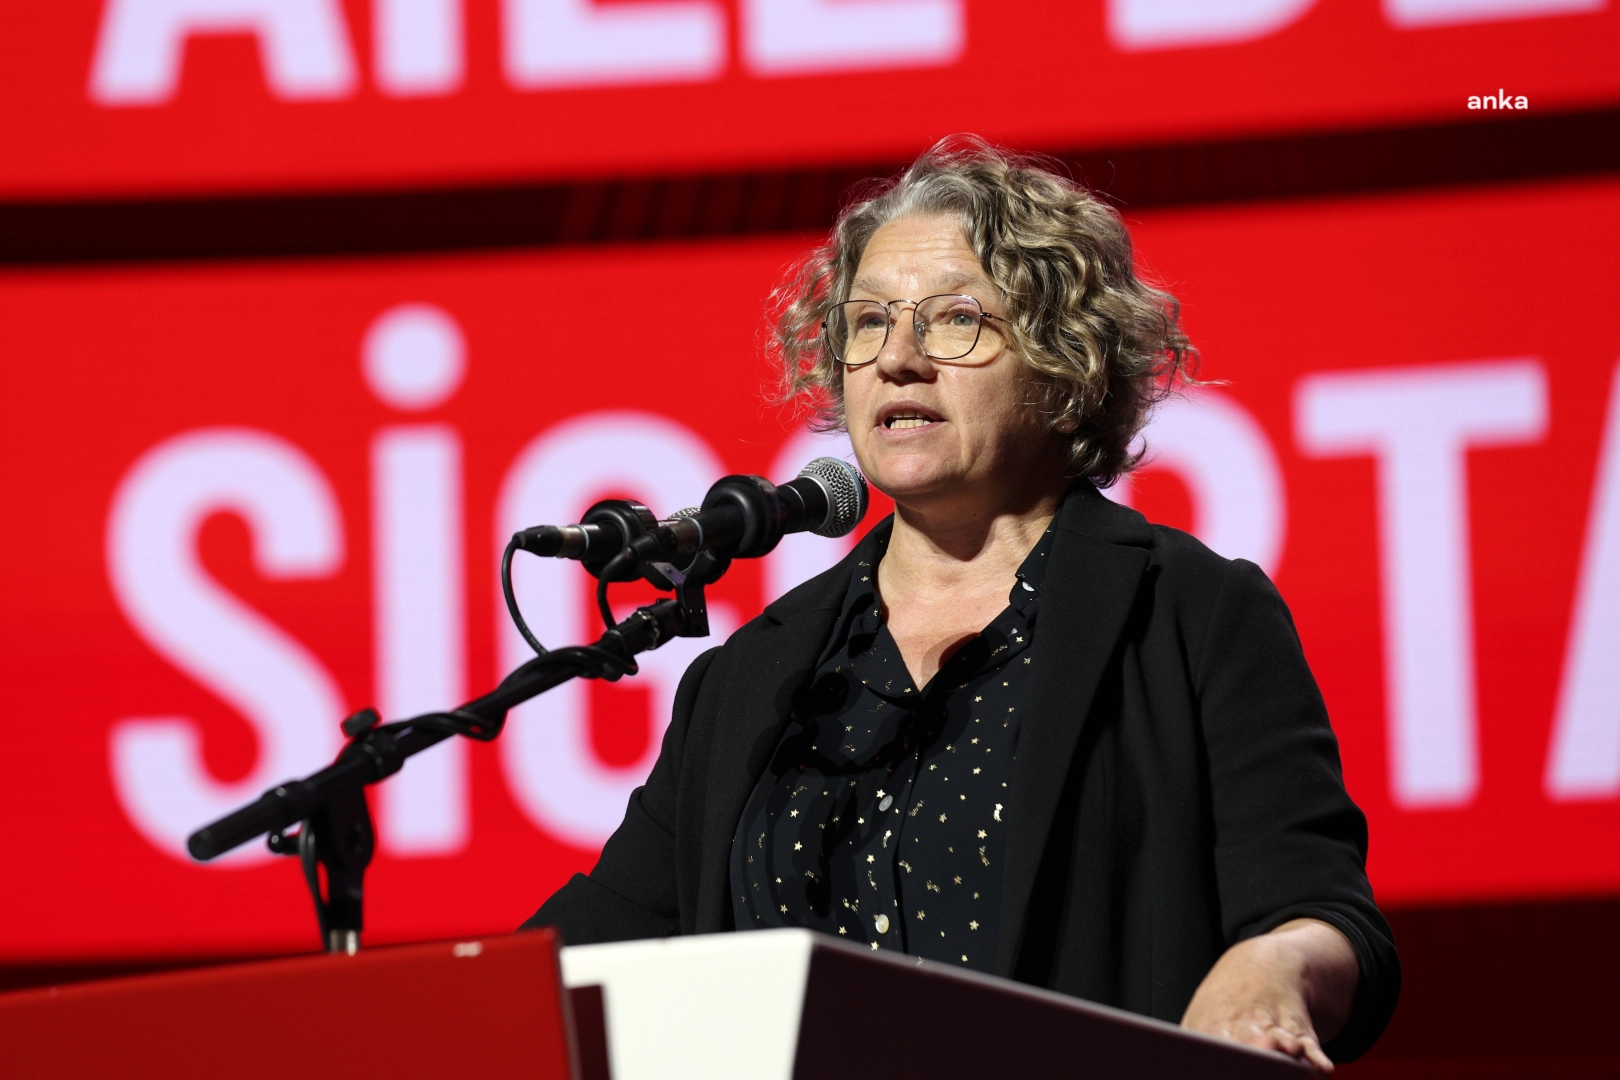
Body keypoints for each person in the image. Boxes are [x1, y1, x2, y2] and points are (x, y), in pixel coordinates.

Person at [525, 136, 1399, 1070]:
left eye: (955, 320)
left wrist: (1269, 967)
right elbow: (587, 955)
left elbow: (1322, 915)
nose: (898, 358)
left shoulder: (1190, 614)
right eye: (868, 322)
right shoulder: (752, 678)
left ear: (1067, 366)